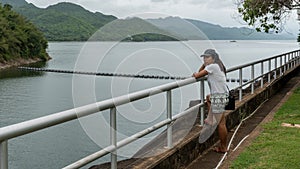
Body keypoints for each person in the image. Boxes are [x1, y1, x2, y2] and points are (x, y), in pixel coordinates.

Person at [192, 49, 228, 153]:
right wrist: (205, 64)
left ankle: (223, 148)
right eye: (204, 57)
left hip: (219, 97)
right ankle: (210, 119)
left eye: (207, 57)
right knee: (208, 97)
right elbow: (201, 72)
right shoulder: (218, 66)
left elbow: (197, 75)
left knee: (221, 124)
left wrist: (203, 66)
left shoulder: (212, 66)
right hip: (223, 95)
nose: (205, 59)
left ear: (214, 58)